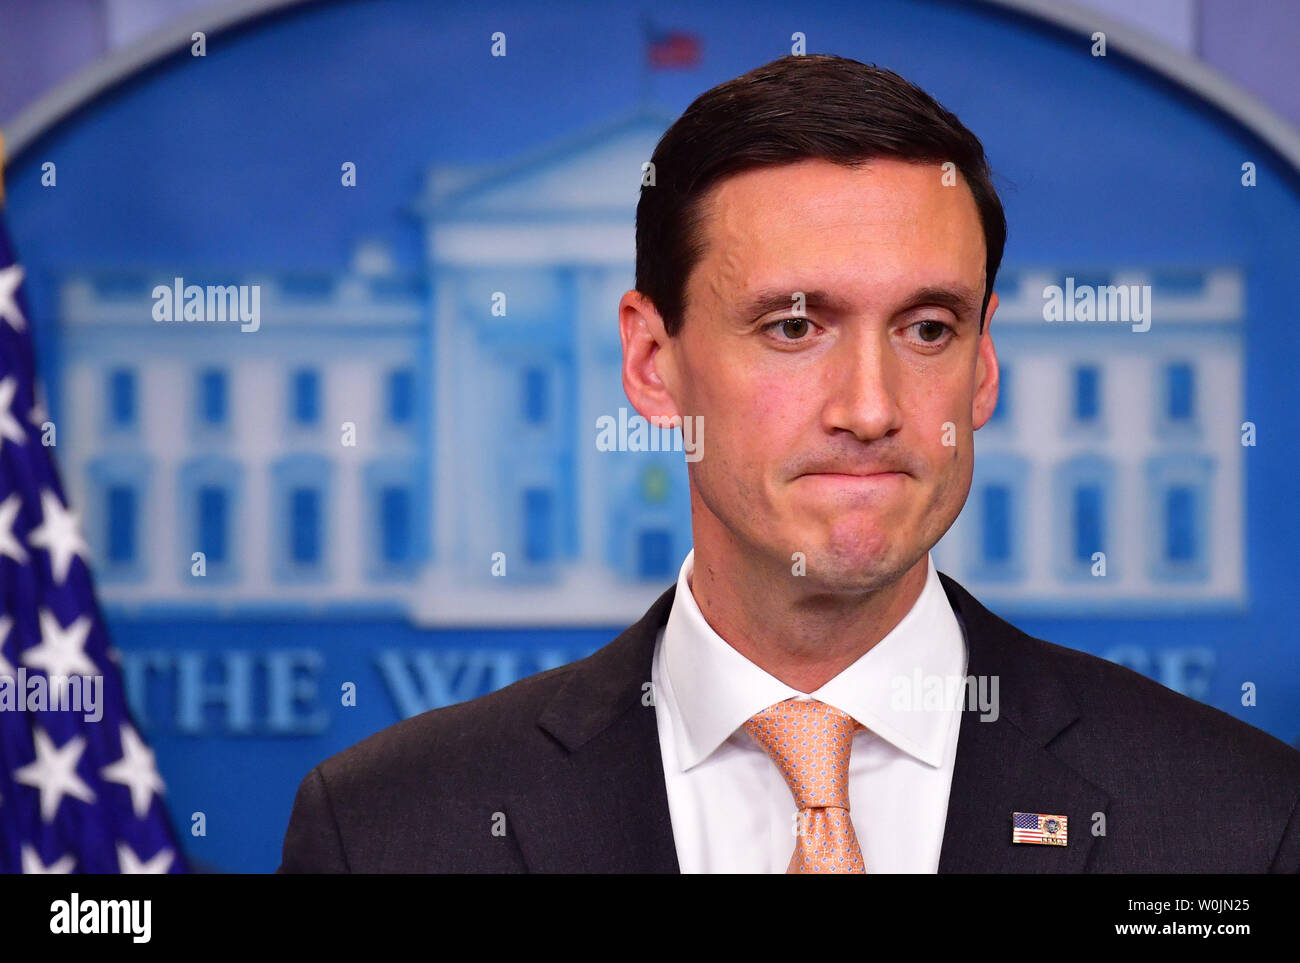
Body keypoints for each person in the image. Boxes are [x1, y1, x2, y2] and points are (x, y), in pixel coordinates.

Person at [278, 54, 1300, 873]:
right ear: (651, 361)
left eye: (928, 328)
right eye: (794, 325)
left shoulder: (1244, 821)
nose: (869, 408)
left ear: (982, 370)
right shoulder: (388, 831)